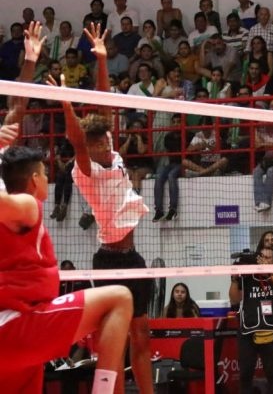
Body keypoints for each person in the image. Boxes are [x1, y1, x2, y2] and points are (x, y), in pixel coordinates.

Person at [55, 22, 154, 393]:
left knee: (141, 337)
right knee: (111, 344)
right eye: (94, 143)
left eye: (102, 142)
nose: (100, 147)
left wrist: (100, 58)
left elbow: (105, 102)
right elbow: (77, 140)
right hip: (108, 260)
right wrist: (66, 103)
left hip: (133, 258)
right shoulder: (86, 170)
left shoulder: (110, 152)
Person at [0, 145, 133, 394]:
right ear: (35, 178)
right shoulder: (28, 204)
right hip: (17, 328)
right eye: (45, 173)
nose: (48, 180)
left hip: (14, 338)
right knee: (119, 298)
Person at [230, 245, 273, 394]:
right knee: (245, 374)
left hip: (270, 329)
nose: (263, 260)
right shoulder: (246, 277)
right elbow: (234, 300)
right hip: (247, 331)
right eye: (261, 257)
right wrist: (234, 279)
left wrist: (269, 271)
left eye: (267, 258)